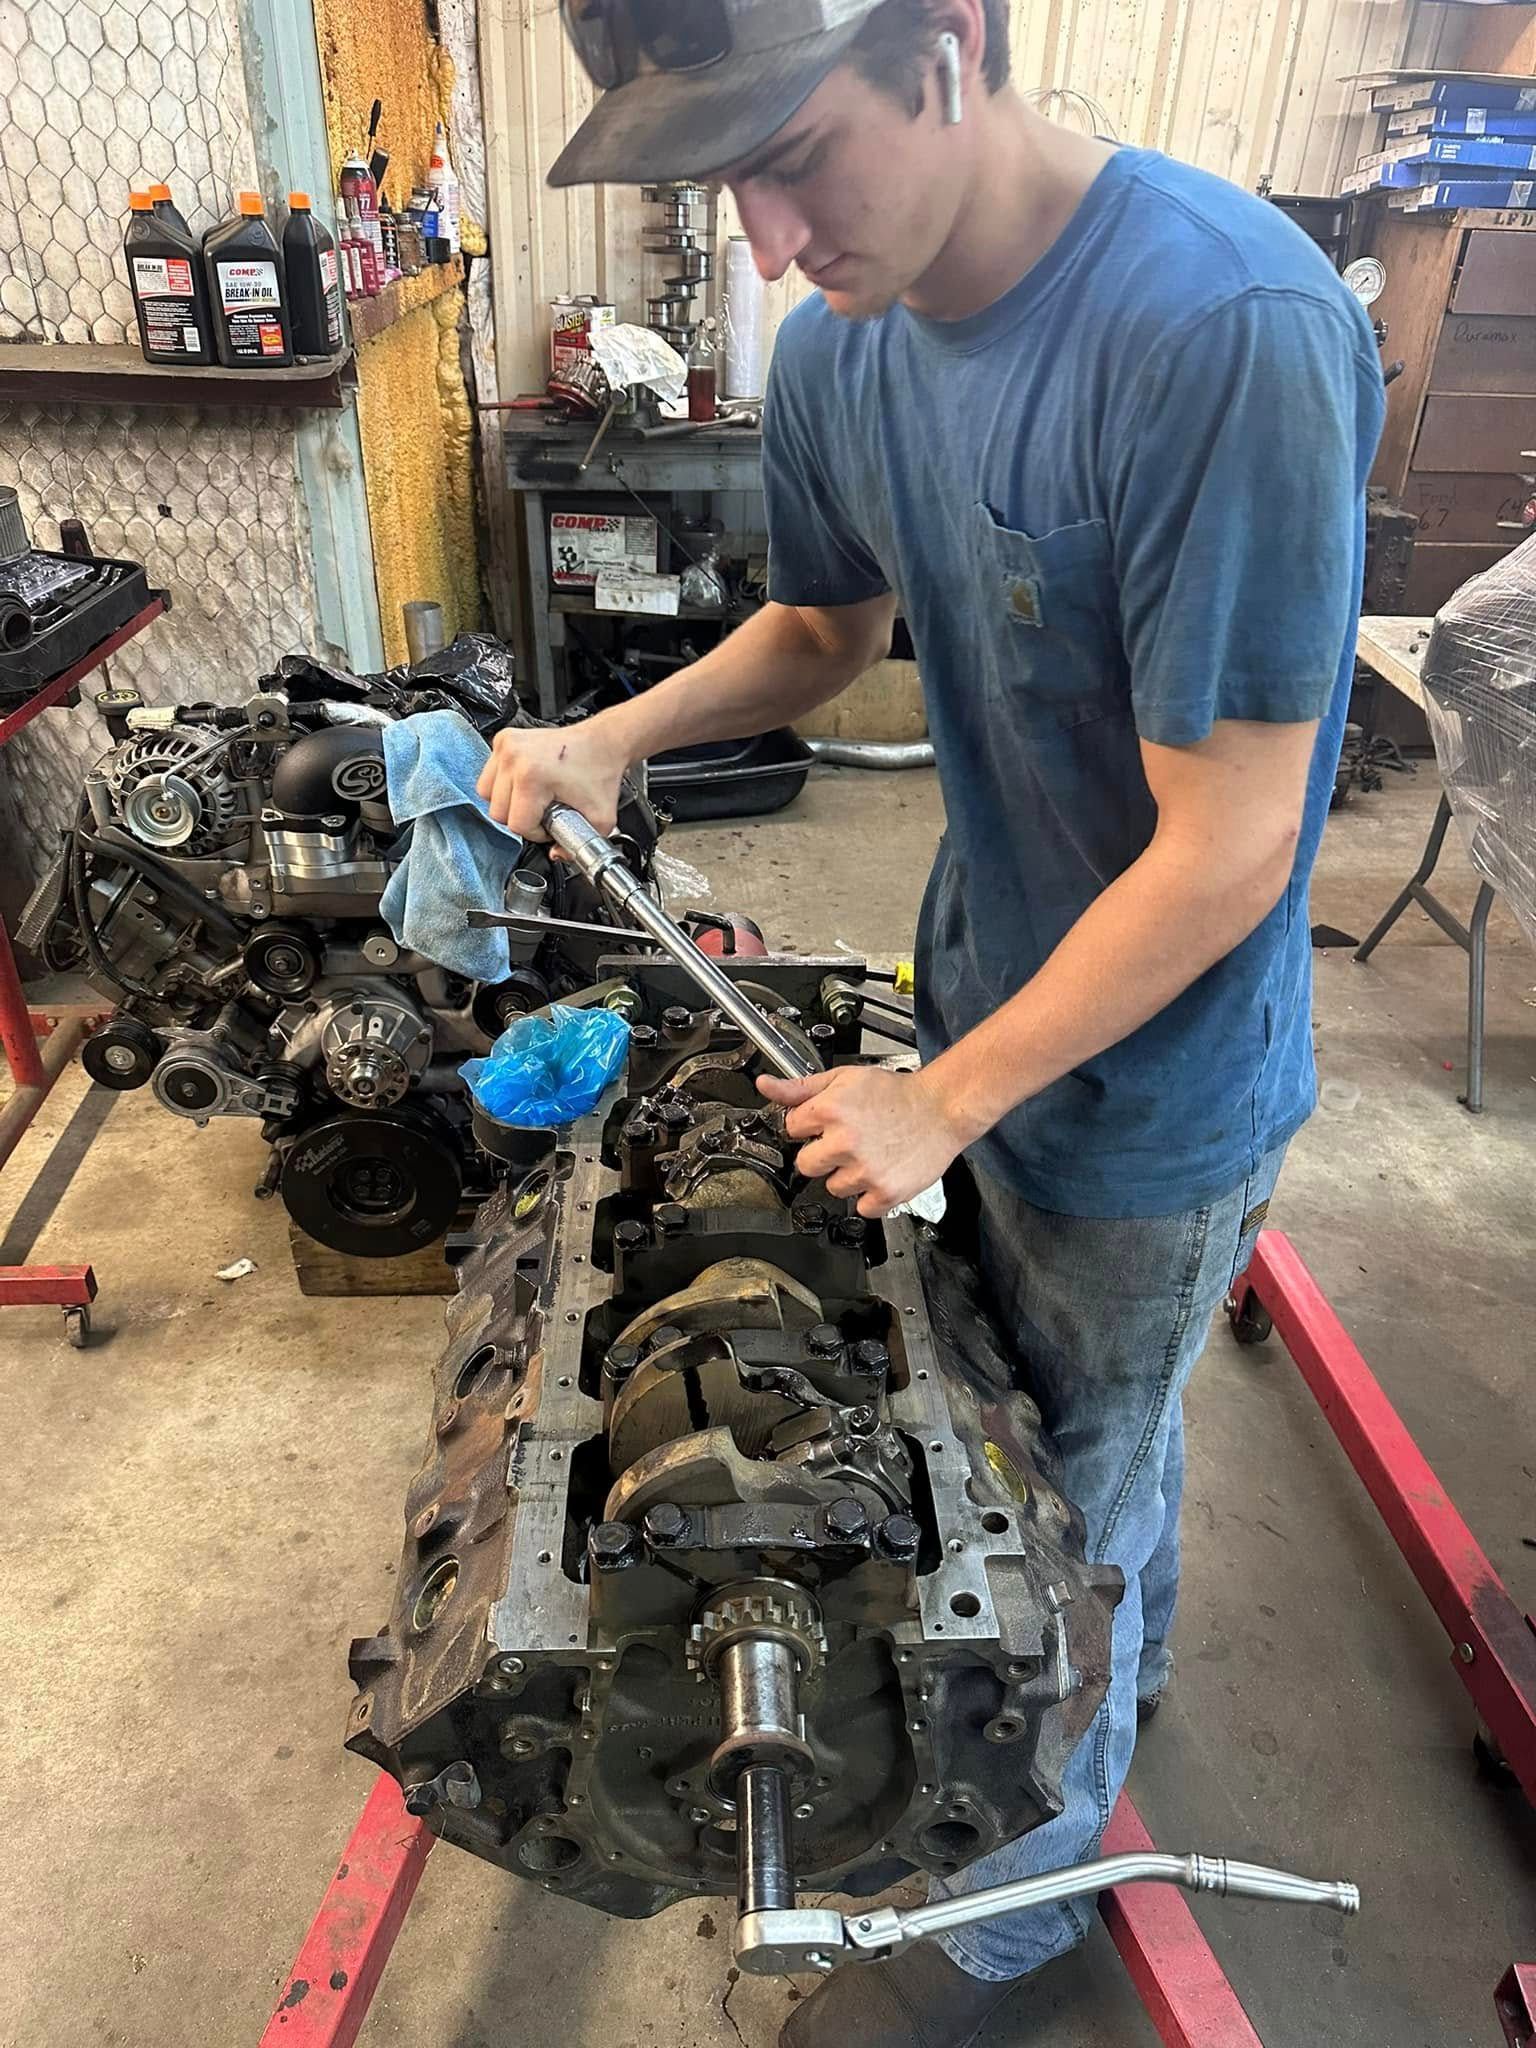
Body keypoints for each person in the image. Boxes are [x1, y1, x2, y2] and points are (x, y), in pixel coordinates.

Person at [480, 2, 1385, 2041]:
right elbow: (826, 625)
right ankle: (1086, 1656)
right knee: (984, 1421)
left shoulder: (1220, 330)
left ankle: (1021, 1889)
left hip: (1147, 1096)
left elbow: (1239, 839)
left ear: (953, 44)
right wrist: (610, 731)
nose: (777, 235)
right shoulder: (841, 348)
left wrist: (951, 1099)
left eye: (802, 154)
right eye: (730, 186)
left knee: (1079, 1464)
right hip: (971, 1001)